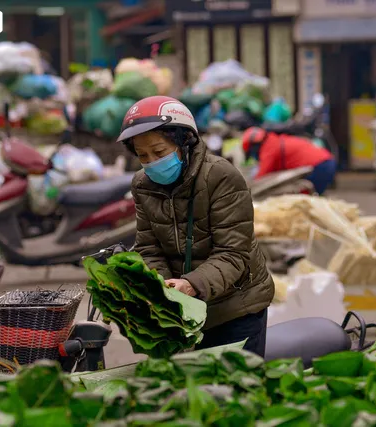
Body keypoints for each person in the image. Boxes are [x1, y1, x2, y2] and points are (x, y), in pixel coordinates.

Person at [117, 96, 274, 357]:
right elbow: (148, 248)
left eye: (159, 152)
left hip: (236, 305)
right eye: (143, 155)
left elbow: (233, 254)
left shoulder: (221, 177)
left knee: (234, 390)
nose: (152, 162)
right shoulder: (142, 185)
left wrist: (191, 285)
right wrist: (160, 286)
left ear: (184, 142)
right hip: (185, 309)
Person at [242, 127, 337, 195]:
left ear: (254, 147)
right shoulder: (274, 140)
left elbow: (260, 179)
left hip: (319, 166)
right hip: (326, 162)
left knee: (302, 200)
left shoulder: (269, 149)